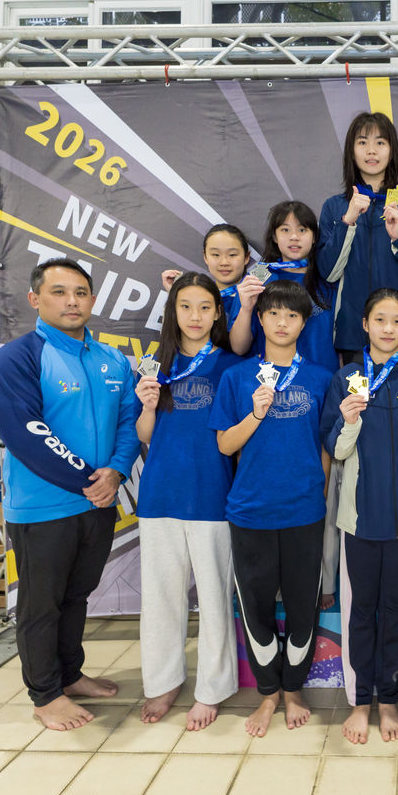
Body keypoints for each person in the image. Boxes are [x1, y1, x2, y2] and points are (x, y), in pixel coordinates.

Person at [0, 257, 139, 731]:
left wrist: (116, 471)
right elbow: (27, 433)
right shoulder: (17, 358)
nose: (72, 301)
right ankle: (46, 695)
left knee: (77, 596)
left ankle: (70, 675)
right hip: (44, 507)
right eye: (59, 292)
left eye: (81, 292)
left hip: (99, 501)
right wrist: (91, 480)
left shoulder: (112, 359)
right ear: (35, 299)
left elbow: (128, 421)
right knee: (40, 604)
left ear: (93, 300)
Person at [209, 280, 335, 737]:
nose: (283, 322)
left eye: (292, 315)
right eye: (274, 313)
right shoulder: (236, 377)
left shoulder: (321, 378)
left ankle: (294, 689)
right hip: (251, 511)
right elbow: (225, 445)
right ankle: (268, 693)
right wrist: (256, 414)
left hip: (304, 512)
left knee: (303, 607)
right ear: (259, 319)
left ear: (303, 324)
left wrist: (318, 491)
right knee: (256, 607)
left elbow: (326, 447)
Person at [320, 288, 398, 745]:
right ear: (365, 325)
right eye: (380, 320)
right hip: (360, 519)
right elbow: (335, 449)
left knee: (396, 611)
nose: (389, 328)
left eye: (397, 321)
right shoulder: (346, 378)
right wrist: (349, 421)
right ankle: (360, 701)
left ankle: (389, 699)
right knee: (362, 612)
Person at [134, 272, 242, 729]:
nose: (194, 316)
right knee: (160, 597)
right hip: (160, 493)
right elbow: (145, 437)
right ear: (172, 311)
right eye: (185, 307)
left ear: (218, 313)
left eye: (204, 307)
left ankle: (212, 689)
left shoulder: (232, 366)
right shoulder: (155, 364)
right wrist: (147, 405)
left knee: (215, 598)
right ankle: (163, 682)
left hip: (212, 494)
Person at [231, 201, 340, 607]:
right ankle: (271, 586)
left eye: (303, 229)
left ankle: (320, 583)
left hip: (317, 392)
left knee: (321, 490)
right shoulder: (258, 278)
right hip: (268, 397)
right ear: (273, 236)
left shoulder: (328, 279)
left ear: (315, 236)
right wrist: (245, 304)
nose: (294, 237)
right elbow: (239, 345)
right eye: (285, 229)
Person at [317, 111, 398, 356]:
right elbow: (328, 273)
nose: (371, 151)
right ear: (351, 151)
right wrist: (348, 221)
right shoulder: (335, 207)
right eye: (362, 142)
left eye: (380, 142)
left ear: (392, 151)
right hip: (353, 335)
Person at [161, 223, 251, 329]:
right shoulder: (196, 296)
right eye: (215, 255)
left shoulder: (258, 294)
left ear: (246, 257)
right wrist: (174, 295)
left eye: (232, 255)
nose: (224, 262)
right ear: (205, 257)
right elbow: (172, 335)